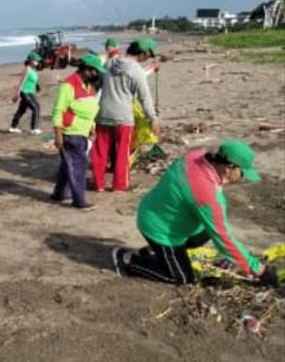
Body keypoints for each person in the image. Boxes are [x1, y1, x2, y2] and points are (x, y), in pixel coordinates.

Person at [112, 140, 279, 287]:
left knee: (205, 232)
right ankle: (129, 261)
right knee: (181, 278)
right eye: (242, 173)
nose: (242, 178)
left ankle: (158, 253)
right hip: (159, 229)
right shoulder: (207, 194)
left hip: (154, 209)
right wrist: (259, 270)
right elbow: (225, 239)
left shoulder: (196, 156)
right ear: (229, 168)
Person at [91, 38, 160, 192]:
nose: (147, 58)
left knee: (100, 151)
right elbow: (145, 97)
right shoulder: (136, 70)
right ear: (142, 53)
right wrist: (153, 118)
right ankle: (120, 185)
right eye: (148, 55)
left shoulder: (109, 64)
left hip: (104, 114)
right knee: (123, 152)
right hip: (124, 117)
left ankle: (99, 184)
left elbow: (98, 85)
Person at [51, 53, 105, 211]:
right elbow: (58, 111)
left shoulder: (88, 86)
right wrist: (58, 135)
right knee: (78, 167)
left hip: (82, 132)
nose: (97, 75)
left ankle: (59, 193)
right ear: (87, 70)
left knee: (68, 165)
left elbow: (90, 109)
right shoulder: (68, 86)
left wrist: (91, 127)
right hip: (70, 133)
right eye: (96, 71)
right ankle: (79, 201)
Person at [9, 52, 42, 135]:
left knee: (21, 110)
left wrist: (37, 87)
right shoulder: (27, 69)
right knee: (36, 107)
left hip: (30, 91)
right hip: (25, 91)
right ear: (30, 61)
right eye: (36, 60)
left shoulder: (34, 70)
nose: (37, 62)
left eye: (37, 61)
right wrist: (17, 92)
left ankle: (13, 127)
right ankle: (34, 128)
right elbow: (22, 81)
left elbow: (33, 81)